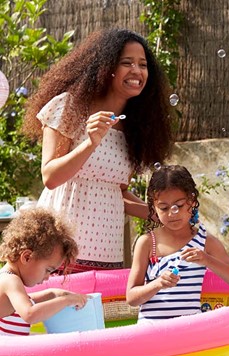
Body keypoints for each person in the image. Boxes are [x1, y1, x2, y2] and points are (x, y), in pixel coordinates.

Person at [22, 28, 175, 273]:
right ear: (107, 67)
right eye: (127, 63)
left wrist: (158, 214)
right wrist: (90, 142)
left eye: (143, 65)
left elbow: (118, 191)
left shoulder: (134, 127)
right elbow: (50, 177)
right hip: (57, 249)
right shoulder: (69, 107)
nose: (137, 71)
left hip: (107, 251)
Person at [126, 165, 229, 320]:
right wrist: (157, 284)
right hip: (152, 331)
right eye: (164, 208)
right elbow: (131, 298)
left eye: (178, 205)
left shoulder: (205, 242)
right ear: (154, 207)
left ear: (191, 201)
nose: (172, 213)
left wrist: (207, 259)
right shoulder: (147, 243)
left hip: (190, 331)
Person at [0, 207, 87, 336]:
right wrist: (66, 301)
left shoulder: (9, 280)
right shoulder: (10, 280)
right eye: (48, 270)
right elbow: (30, 314)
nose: (47, 277)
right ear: (27, 257)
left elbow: (26, 301)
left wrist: (52, 294)